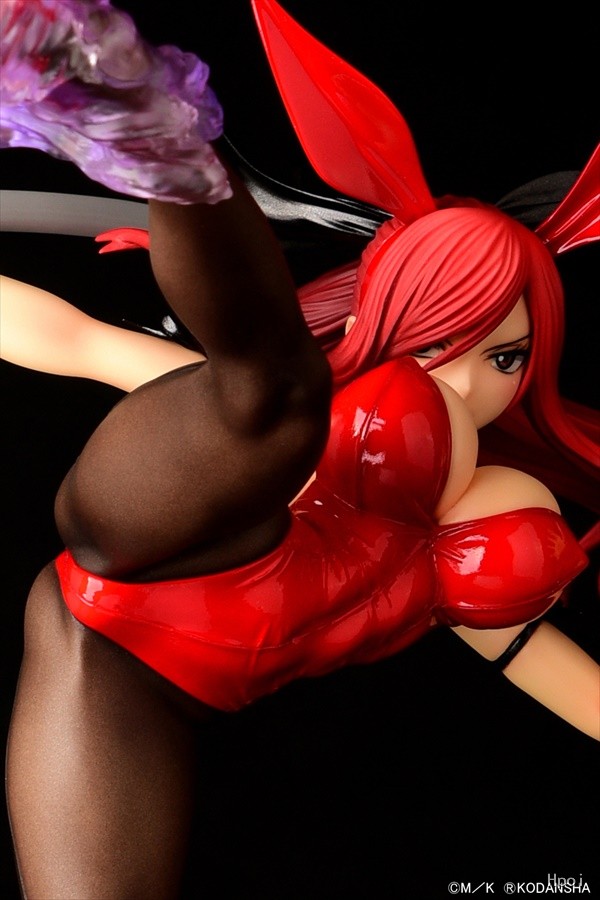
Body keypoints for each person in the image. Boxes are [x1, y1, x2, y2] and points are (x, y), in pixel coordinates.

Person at [1, 1, 598, 897]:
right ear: (381, 322)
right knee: (280, 397)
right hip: (144, 545)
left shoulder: (488, 530)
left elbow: (557, 676)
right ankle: (159, 130)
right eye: (436, 339)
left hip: (132, 686)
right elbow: (76, 341)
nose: (468, 383)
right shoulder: (302, 412)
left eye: (505, 357)